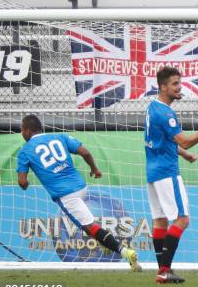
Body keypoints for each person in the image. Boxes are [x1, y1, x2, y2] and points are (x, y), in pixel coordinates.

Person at [17, 115, 141, 272]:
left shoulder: (25, 151)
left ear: (27, 130)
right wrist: (95, 169)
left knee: (90, 228)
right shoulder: (59, 136)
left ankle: (125, 252)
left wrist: (26, 184)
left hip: (66, 194)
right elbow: (85, 152)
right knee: (87, 226)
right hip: (81, 186)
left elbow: (22, 182)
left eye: (21, 129)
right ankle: (105, 244)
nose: (21, 133)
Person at [145, 66, 198, 283]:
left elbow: (164, 142)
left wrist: (184, 154)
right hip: (167, 172)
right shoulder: (166, 113)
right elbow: (183, 139)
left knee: (160, 221)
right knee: (182, 219)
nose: (179, 87)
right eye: (175, 84)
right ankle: (164, 270)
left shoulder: (152, 108)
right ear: (163, 86)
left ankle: (162, 271)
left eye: (180, 83)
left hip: (153, 172)